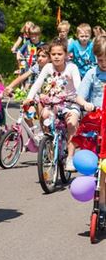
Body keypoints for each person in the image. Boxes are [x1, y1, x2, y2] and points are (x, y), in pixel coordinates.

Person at [23, 39, 81, 171]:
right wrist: (29, 98)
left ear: (66, 55)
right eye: (53, 54)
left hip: (70, 102)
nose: (56, 57)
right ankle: (49, 144)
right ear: (50, 56)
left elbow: (78, 86)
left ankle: (70, 158)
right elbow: (37, 83)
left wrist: (79, 99)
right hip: (53, 103)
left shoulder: (72, 68)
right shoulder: (48, 68)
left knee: (72, 122)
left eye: (59, 54)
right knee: (44, 114)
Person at [74, 36, 106, 212]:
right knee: (99, 166)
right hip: (96, 122)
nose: (103, 63)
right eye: (100, 59)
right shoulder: (92, 73)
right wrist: (85, 103)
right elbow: (80, 95)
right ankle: (101, 204)